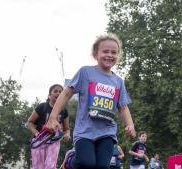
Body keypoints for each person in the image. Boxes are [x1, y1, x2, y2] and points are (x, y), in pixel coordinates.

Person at [46, 33, 137, 169]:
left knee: (102, 166)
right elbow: (66, 94)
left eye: (114, 52)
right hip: (85, 131)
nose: (110, 55)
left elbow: (123, 107)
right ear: (95, 54)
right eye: (105, 51)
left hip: (107, 132)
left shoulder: (118, 82)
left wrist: (130, 125)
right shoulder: (85, 73)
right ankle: (71, 161)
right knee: (87, 163)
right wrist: (53, 117)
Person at [27, 84, 72, 169]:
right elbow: (30, 122)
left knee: (50, 166)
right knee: (38, 167)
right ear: (49, 94)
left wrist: (67, 135)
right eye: (55, 91)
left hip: (54, 142)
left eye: (60, 92)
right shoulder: (42, 107)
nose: (58, 93)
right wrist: (36, 133)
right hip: (39, 141)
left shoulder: (64, 111)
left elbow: (67, 129)